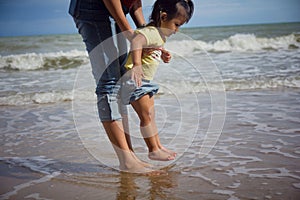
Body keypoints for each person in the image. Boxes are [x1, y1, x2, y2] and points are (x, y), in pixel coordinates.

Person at [69, 0, 158, 173]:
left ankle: (129, 155)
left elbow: (135, 1)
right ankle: (126, 160)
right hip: (93, 8)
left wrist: (143, 33)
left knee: (119, 80)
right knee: (109, 81)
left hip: (115, 10)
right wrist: (129, 33)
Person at [121, 0, 194, 161]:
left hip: (145, 81)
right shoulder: (152, 31)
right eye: (176, 24)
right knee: (146, 115)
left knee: (150, 115)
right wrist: (137, 64)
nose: (177, 30)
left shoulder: (159, 35)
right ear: (163, 16)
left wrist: (162, 53)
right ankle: (153, 149)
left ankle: (158, 146)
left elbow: (150, 46)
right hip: (135, 80)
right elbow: (137, 40)